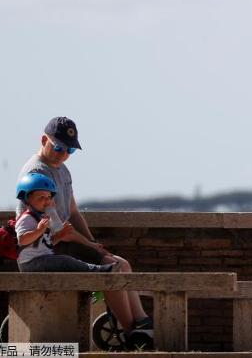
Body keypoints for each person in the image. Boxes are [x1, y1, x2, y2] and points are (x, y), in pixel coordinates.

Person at [16, 117, 152, 338]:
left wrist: (94, 243)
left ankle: (142, 322)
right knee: (112, 269)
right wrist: (90, 245)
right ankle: (130, 332)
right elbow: (58, 229)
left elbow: (74, 212)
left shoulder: (61, 169)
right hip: (49, 248)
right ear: (43, 140)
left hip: (64, 241)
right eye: (58, 147)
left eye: (70, 150)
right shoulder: (37, 173)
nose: (63, 153)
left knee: (121, 263)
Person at [15, 173, 117, 273]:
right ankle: (97, 270)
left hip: (42, 259)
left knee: (66, 260)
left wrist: (59, 237)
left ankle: (96, 270)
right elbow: (22, 240)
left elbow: (44, 245)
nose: (46, 201)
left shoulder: (43, 218)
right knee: (64, 261)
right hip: (30, 263)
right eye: (41, 197)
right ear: (27, 200)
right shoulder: (27, 219)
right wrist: (39, 230)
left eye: (49, 197)